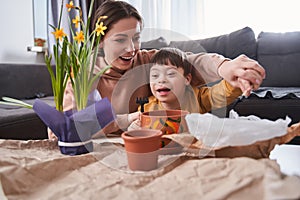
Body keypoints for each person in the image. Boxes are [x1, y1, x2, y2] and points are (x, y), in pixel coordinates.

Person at [49, 0, 265, 139]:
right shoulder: (83, 76)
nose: (131, 49)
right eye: (120, 40)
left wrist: (225, 67)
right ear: (101, 41)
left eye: (136, 38)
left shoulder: (146, 60)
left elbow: (189, 62)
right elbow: (67, 129)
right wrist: (126, 120)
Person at [142, 47, 242, 113]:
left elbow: (221, 93)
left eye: (170, 74)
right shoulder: (146, 108)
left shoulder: (197, 98)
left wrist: (237, 80)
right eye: (155, 75)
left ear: (187, 79)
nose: (161, 80)